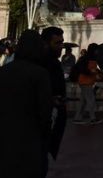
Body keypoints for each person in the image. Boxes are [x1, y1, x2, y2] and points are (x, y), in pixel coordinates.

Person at [0, 29, 52, 178]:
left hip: (1, 137)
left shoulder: (2, 72)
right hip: (29, 139)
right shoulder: (40, 74)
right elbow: (45, 112)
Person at [39, 26, 68, 159]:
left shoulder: (54, 63)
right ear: (45, 43)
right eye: (57, 43)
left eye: (62, 42)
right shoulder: (42, 64)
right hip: (42, 121)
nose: (61, 46)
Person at [72, 43, 102, 124]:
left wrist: (101, 74)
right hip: (85, 82)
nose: (97, 51)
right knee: (91, 100)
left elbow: (95, 69)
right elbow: (82, 69)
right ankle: (93, 118)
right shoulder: (86, 58)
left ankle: (77, 118)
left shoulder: (88, 58)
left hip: (86, 82)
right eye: (96, 50)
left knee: (83, 101)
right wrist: (90, 71)